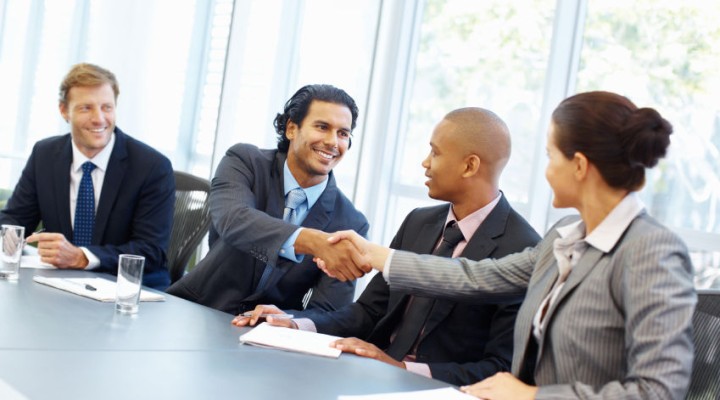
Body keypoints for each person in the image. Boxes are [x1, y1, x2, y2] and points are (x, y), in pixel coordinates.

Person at [323, 91, 696, 400]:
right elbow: (476, 277)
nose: (545, 171)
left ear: (579, 165)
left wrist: (531, 396)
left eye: (551, 157)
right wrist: (377, 255)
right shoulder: (566, 235)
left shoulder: (651, 251)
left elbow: (658, 391)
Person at [233, 108, 541, 385]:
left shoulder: (524, 249)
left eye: (435, 152)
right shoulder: (419, 222)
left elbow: (501, 369)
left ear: (469, 166)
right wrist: (296, 325)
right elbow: (368, 312)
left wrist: (401, 369)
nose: (425, 163)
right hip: (372, 377)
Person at [166, 84, 369, 315]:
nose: (333, 142)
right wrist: (313, 241)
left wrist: (289, 320)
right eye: (322, 127)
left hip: (269, 336)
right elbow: (233, 220)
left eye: (343, 133)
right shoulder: (245, 162)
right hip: (199, 310)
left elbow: (329, 312)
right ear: (292, 128)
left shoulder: (351, 224)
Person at [0, 63, 175, 289]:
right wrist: (11, 241)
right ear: (64, 111)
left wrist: (81, 257)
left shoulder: (152, 167)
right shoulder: (45, 155)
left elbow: (151, 252)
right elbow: (14, 221)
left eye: (107, 107)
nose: (99, 119)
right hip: (59, 287)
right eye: (86, 108)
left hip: (127, 291)